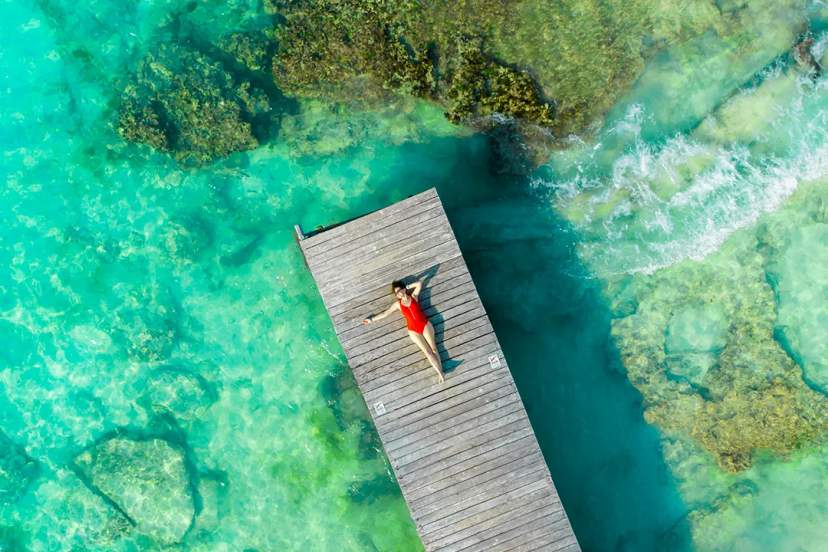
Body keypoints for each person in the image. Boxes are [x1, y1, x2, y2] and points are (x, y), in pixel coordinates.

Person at [362, 279, 445, 383]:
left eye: (399, 291)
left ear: (404, 289)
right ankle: (440, 373)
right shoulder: (398, 305)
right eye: (396, 293)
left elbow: (419, 284)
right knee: (427, 352)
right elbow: (385, 313)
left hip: (424, 325)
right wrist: (371, 319)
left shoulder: (414, 297)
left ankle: (441, 370)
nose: (398, 293)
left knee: (433, 349)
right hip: (413, 330)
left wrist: (407, 287)